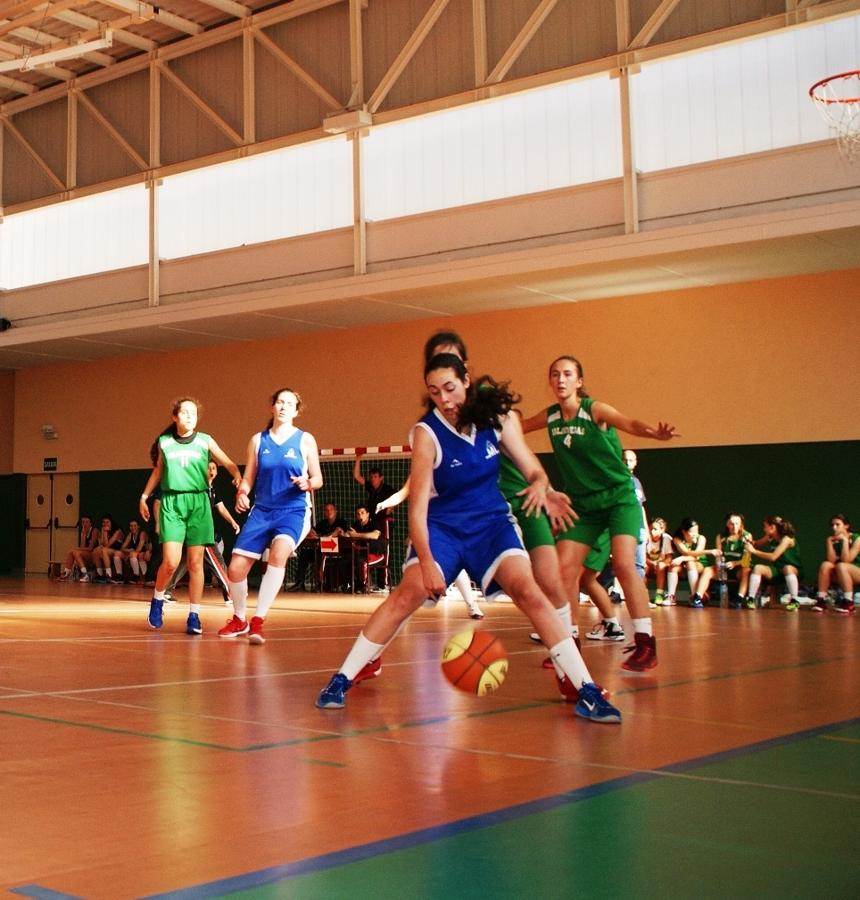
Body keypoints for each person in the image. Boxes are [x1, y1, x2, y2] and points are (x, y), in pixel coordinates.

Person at [317, 353, 620, 723]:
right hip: (443, 528)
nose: (444, 399)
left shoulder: (498, 420)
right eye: (434, 392)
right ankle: (341, 678)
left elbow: (532, 468)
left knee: (529, 591)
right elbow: (417, 509)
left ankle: (584, 688)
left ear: (466, 381)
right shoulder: (427, 434)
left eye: (450, 388)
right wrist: (427, 563)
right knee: (405, 595)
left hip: (491, 525)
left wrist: (543, 487)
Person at [522, 355, 679, 671]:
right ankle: (570, 645)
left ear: (579, 381)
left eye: (568, 374)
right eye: (555, 375)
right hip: (583, 505)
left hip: (618, 499)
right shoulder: (551, 417)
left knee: (623, 564)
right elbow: (517, 427)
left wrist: (653, 433)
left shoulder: (594, 410)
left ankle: (646, 644)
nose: (561, 379)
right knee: (564, 570)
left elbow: (630, 423)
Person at [219, 388, 322, 644]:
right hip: (262, 511)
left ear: (297, 411)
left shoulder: (305, 439)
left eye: (290, 404)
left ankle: (258, 621)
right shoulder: (257, 440)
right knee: (235, 569)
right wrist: (242, 493)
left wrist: (307, 483)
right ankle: (240, 619)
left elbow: (318, 478)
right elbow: (248, 478)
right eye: (280, 402)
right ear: (272, 407)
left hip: (294, 511)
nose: (284, 407)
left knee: (278, 554)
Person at [139, 397, 241, 634]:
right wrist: (144, 496)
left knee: (196, 562)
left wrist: (237, 474)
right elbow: (158, 472)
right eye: (184, 413)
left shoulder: (205, 440)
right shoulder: (165, 442)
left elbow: (228, 462)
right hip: (172, 502)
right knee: (172, 562)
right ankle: (157, 599)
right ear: (174, 416)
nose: (189, 416)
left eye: (193, 413)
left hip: (199, 502)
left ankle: (194, 615)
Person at [164, 461, 239, 603]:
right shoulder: (197, 487)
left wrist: (233, 522)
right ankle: (230, 593)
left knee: (186, 562)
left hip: (201, 532)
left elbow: (221, 508)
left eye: (214, 468)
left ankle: (165, 591)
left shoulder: (213, 489)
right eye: (208, 468)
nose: (211, 470)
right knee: (218, 561)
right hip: (200, 532)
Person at [743, 516, 803, 611]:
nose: (764, 529)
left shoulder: (787, 539)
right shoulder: (770, 537)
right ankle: (751, 599)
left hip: (793, 571)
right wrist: (748, 540)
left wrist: (753, 551)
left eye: (765, 526)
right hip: (778, 570)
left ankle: (794, 601)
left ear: (772, 527)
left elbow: (773, 556)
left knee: (787, 568)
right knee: (758, 568)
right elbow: (757, 544)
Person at [290, 501, 348, 592]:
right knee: (304, 554)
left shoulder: (341, 522)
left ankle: (321, 584)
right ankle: (300, 583)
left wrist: (322, 537)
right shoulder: (322, 523)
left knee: (320, 556)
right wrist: (312, 533)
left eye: (331, 510)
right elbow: (315, 535)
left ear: (336, 511)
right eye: (326, 510)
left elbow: (337, 534)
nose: (329, 512)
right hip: (320, 549)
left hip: (335, 552)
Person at [667, 518, 718, 608]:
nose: (695, 534)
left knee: (690, 562)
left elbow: (696, 556)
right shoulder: (677, 539)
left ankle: (695, 596)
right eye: (692, 531)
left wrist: (682, 558)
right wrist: (682, 559)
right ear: (684, 531)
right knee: (673, 567)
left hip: (699, 564)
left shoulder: (701, 538)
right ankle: (671, 596)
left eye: (696, 531)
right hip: (684, 566)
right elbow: (685, 551)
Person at [817, 514, 859, 614]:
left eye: (837, 524)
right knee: (825, 565)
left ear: (846, 526)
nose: (834, 527)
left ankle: (849, 602)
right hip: (843, 573)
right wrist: (829, 543)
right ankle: (821, 600)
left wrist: (844, 541)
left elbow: (846, 560)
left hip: (857, 571)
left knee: (841, 565)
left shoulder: (857, 538)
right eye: (832, 525)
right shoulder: (833, 539)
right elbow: (831, 561)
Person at [716, 512, 752, 609]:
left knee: (746, 570)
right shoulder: (721, 537)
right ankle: (697, 597)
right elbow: (718, 556)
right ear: (727, 524)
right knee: (707, 571)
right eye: (732, 523)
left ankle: (739, 599)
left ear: (741, 524)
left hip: (739, 569)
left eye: (737, 523)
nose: (734, 526)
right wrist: (720, 562)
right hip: (725, 569)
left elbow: (746, 559)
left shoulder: (747, 536)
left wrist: (735, 563)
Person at [58, 515, 97, 581]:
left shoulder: (94, 531)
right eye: (83, 522)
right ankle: (66, 573)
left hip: (95, 556)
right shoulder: (83, 532)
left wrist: (76, 549)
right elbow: (82, 547)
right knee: (72, 552)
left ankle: (85, 574)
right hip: (87, 555)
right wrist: (83, 536)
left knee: (75, 551)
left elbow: (90, 548)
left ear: (91, 523)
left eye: (86, 522)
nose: (84, 524)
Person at [109, 518, 148, 583]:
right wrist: (129, 550)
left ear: (138, 526)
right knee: (117, 553)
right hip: (133, 554)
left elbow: (139, 549)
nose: (133, 527)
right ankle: (119, 575)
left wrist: (130, 553)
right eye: (131, 526)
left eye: (135, 525)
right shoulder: (130, 534)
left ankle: (137, 576)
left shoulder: (142, 533)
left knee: (133, 554)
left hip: (143, 554)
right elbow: (122, 548)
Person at [645, 517, 672, 605]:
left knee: (661, 566)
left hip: (661, 567)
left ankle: (659, 594)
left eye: (655, 529)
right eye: (650, 529)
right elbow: (642, 557)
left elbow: (669, 558)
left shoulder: (666, 539)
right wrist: (652, 563)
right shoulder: (646, 538)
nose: (652, 531)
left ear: (662, 530)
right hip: (649, 564)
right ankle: (644, 595)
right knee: (643, 567)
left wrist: (661, 564)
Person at [90, 515, 124, 583]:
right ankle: (100, 574)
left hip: (118, 552)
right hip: (108, 552)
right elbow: (102, 543)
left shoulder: (117, 531)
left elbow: (107, 545)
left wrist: (105, 533)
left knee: (104, 550)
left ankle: (109, 575)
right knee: (96, 550)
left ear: (111, 522)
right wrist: (104, 533)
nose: (105, 524)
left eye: (107, 522)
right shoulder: (103, 530)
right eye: (103, 522)